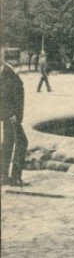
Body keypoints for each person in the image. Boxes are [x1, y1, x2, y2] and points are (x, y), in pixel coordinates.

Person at [1, 50, 28, 186]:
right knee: (22, 142)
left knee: (7, 144)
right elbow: (3, 98)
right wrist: (11, 114)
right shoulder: (7, 74)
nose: (18, 61)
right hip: (12, 118)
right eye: (17, 58)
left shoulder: (8, 72)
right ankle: (15, 178)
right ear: (11, 60)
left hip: (11, 117)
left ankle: (3, 176)